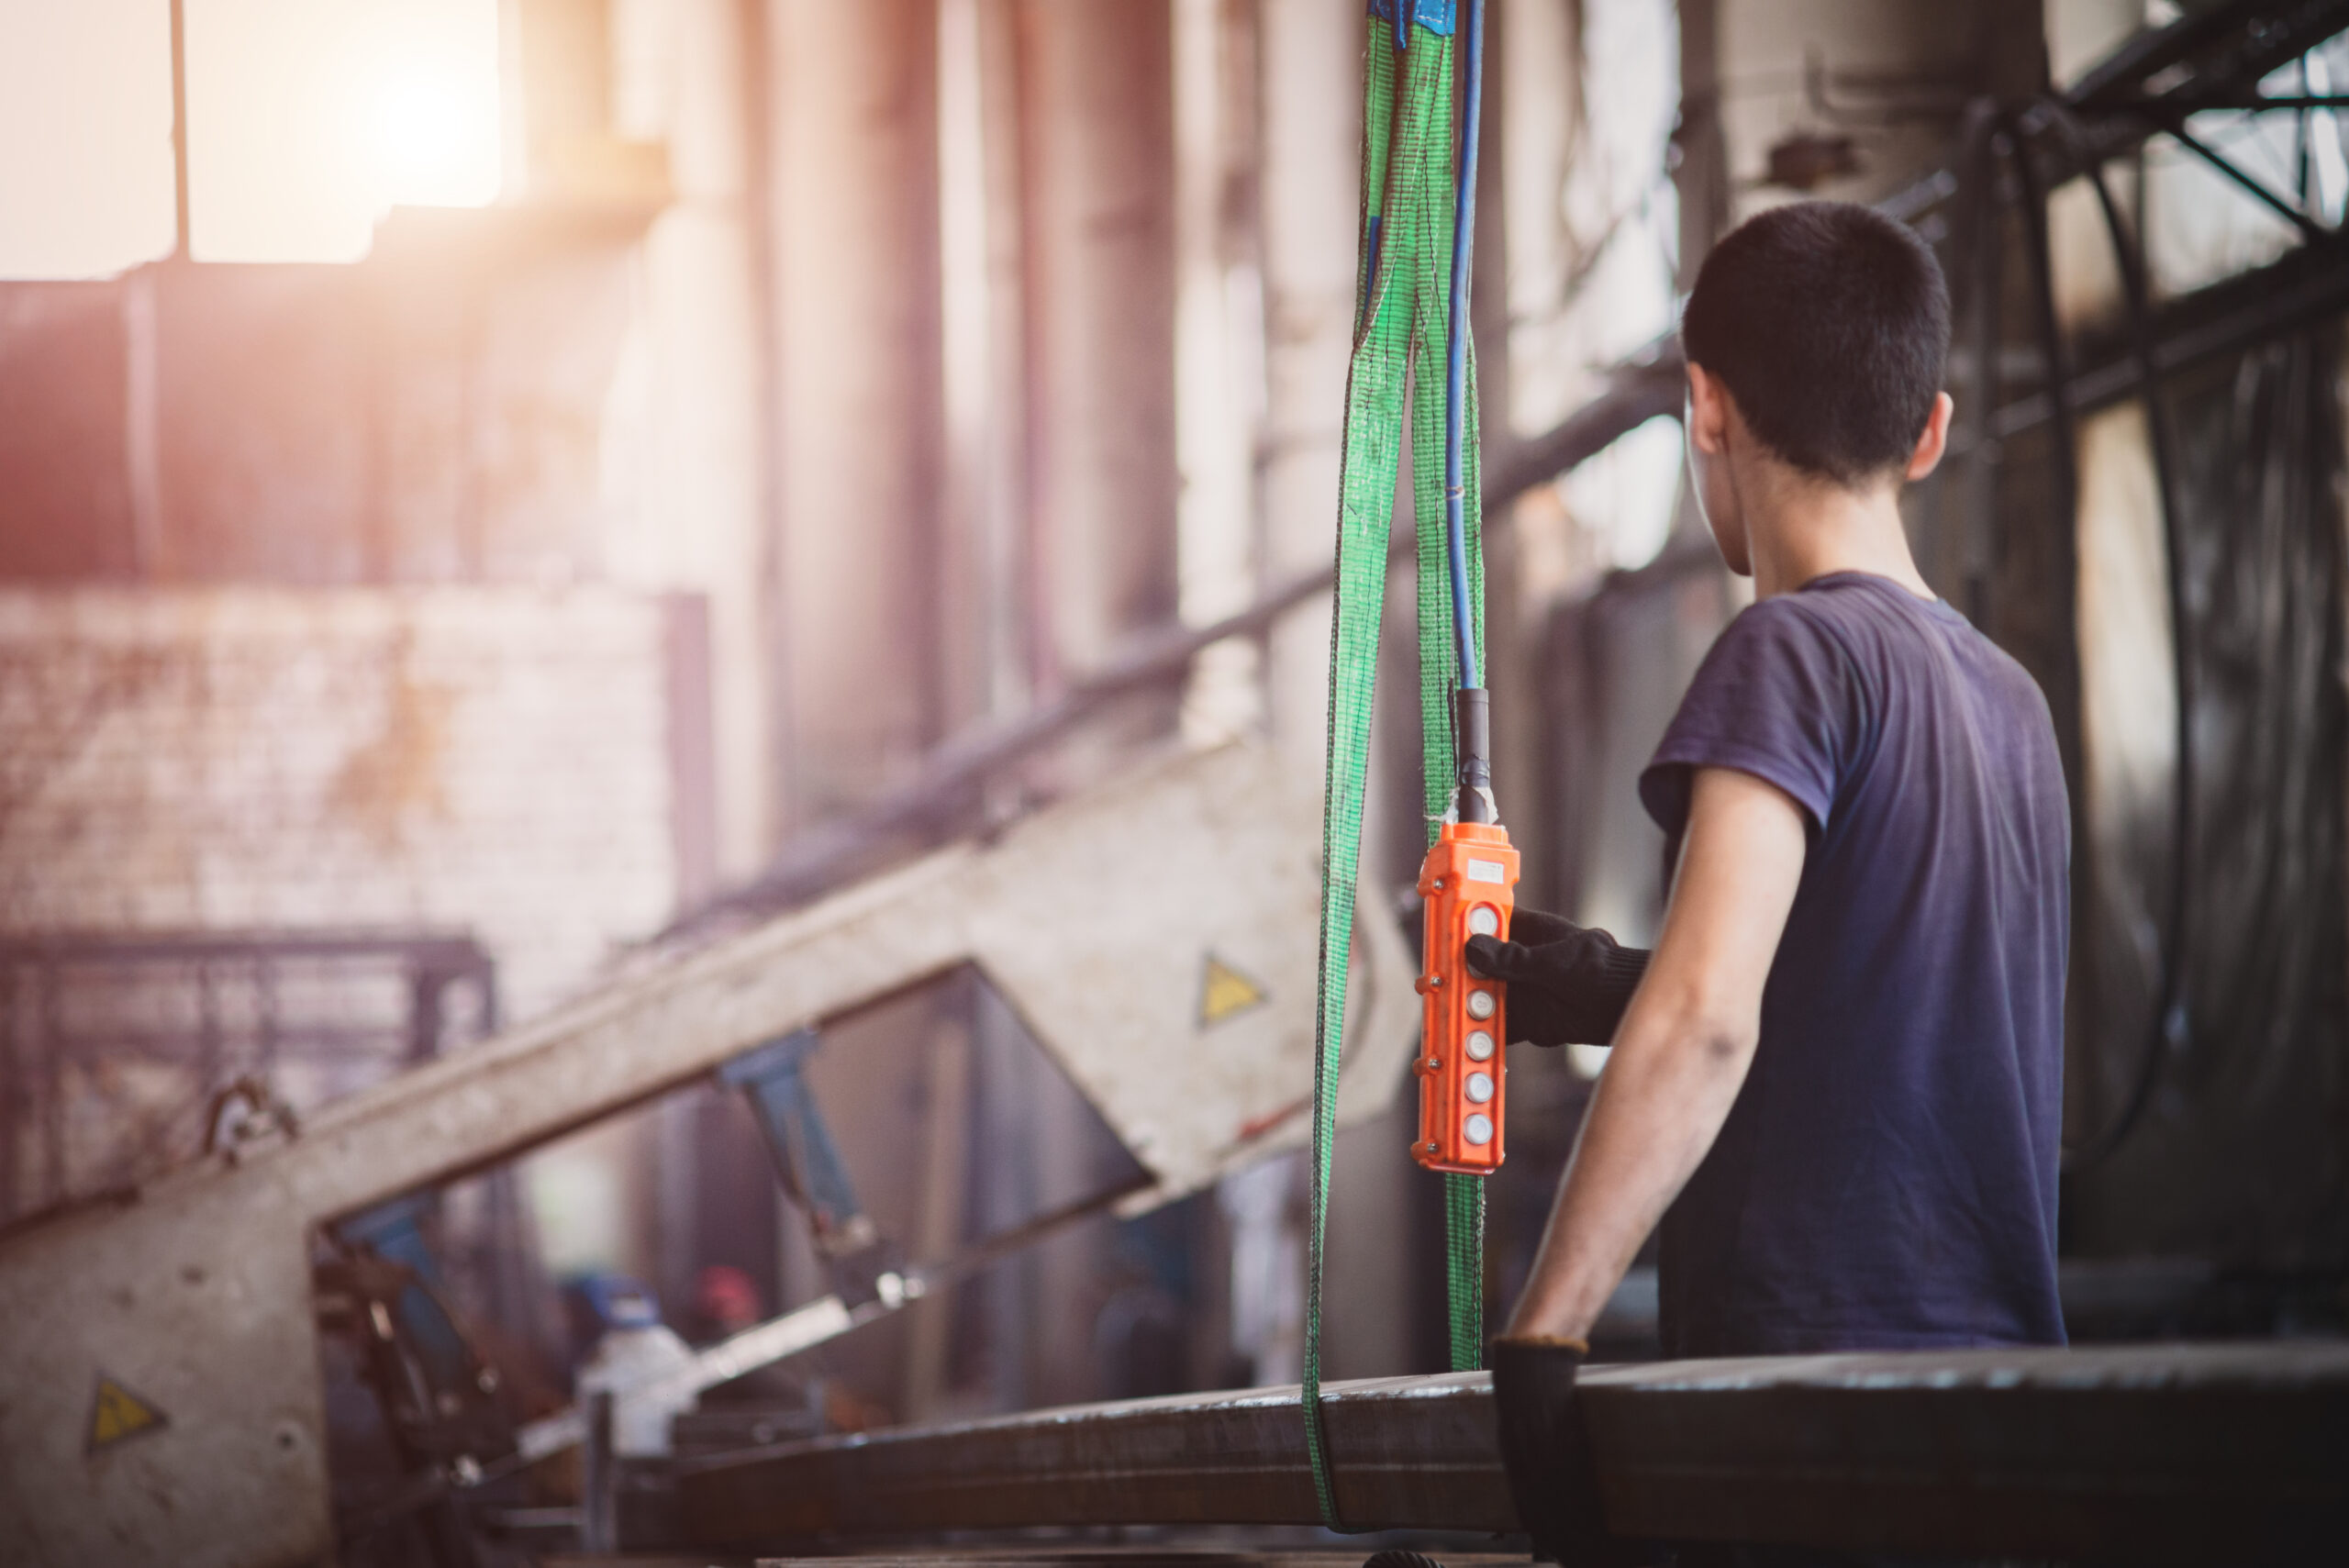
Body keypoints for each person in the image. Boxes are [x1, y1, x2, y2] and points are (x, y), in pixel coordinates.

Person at [1479, 202, 2070, 1563]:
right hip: (2004, 1411)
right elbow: (1881, 1002)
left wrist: (1544, 1334)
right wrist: (1605, 987)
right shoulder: (2010, 700)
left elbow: (1714, 1021)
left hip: (1811, 1410)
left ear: (1704, 406)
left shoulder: (1789, 658)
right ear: (1929, 429)